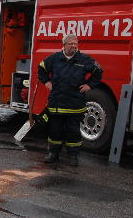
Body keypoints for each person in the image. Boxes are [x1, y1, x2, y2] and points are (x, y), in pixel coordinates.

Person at [37, 34, 102, 166]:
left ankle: (73, 156)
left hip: (75, 103)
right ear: (64, 45)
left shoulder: (84, 59)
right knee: (55, 130)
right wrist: (46, 82)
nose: (74, 46)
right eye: (71, 43)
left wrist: (89, 85)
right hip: (57, 103)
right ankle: (53, 154)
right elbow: (41, 69)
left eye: (75, 43)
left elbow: (98, 71)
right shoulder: (54, 58)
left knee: (73, 131)